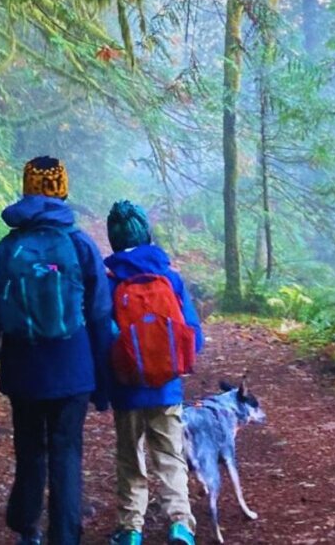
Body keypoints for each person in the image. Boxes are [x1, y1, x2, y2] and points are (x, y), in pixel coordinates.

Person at [0, 156, 113, 545]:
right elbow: (100, 317)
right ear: (63, 189)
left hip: (24, 371)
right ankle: (65, 536)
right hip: (73, 371)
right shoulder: (80, 245)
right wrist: (105, 388)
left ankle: (27, 528)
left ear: (25, 189)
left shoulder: (10, 248)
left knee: (29, 449)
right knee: (67, 453)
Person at [102, 201, 202, 545]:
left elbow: (103, 335)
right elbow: (193, 333)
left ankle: (131, 529)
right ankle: (180, 525)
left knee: (130, 458)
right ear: (146, 232)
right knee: (170, 455)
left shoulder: (111, 281)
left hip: (127, 387)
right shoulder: (170, 277)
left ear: (113, 238)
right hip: (166, 387)